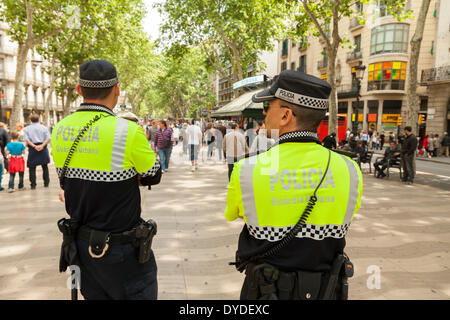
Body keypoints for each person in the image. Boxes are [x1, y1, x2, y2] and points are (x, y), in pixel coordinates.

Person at [225, 70, 362, 300]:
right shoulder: (350, 169)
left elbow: (234, 214)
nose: (264, 113)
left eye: (268, 106)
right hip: (327, 291)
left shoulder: (246, 170)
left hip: (265, 292)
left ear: (286, 115)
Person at [51, 59, 162, 300]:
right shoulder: (128, 130)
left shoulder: (60, 128)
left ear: (79, 90)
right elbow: (154, 174)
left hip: (81, 250)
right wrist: (129, 178)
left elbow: (68, 180)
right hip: (123, 252)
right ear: (117, 89)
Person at [23, 114, 51, 190]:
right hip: (43, 147)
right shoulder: (44, 128)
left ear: (30, 120)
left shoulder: (26, 129)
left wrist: (35, 146)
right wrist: (42, 145)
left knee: (32, 167)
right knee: (45, 166)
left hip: (33, 148)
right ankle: (46, 183)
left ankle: (33, 185)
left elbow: (27, 140)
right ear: (39, 119)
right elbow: (48, 138)